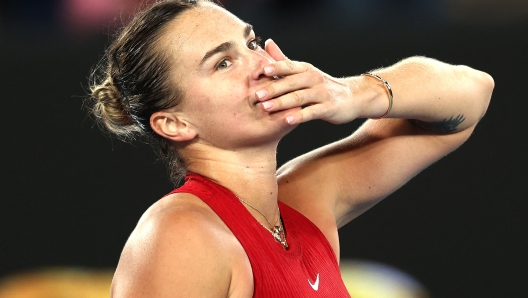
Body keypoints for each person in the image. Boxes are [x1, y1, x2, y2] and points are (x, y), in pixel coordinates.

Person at [89, 0, 494, 297]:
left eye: (250, 43)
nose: (261, 64)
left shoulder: (305, 200)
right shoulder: (181, 234)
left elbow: (473, 93)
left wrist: (354, 93)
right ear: (174, 123)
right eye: (222, 63)